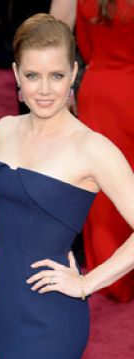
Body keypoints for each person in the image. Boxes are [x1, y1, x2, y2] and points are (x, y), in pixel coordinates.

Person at [0, 14, 134, 359]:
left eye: (56, 76)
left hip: (52, 317)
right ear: (15, 74)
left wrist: (87, 283)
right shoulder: (4, 131)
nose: (44, 90)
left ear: (74, 73)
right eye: (32, 76)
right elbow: (4, 225)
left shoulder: (92, 148)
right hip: (4, 308)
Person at [72, 0, 134, 302]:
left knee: (102, 190)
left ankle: (111, 280)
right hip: (129, 90)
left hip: (97, 91)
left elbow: (84, 47)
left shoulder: (86, 1)